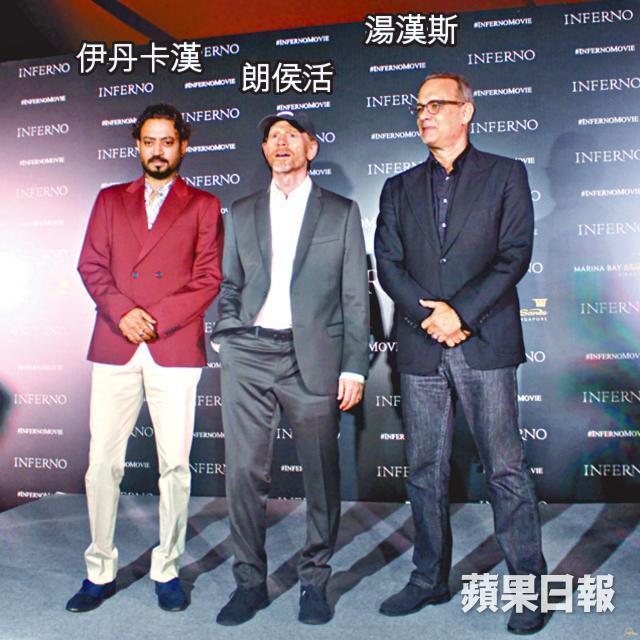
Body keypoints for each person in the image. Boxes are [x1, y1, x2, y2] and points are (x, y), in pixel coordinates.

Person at [374, 73, 546, 635]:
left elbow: (514, 255)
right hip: (421, 346)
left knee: (505, 469)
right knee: (424, 470)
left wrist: (459, 314)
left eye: (437, 104)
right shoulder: (398, 187)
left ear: (466, 111)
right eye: (419, 107)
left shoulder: (506, 174)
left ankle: (527, 587)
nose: (424, 114)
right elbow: (388, 264)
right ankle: (429, 578)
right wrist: (431, 317)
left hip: (485, 342)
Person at [212, 111, 369, 626]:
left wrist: (354, 367)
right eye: (272, 137)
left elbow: (355, 294)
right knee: (243, 474)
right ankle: (248, 583)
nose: (280, 143)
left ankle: (314, 581)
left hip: (314, 357)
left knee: (321, 475)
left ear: (311, 147)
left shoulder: (340, 212)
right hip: (249, 354)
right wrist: (229, 334)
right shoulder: (241, 212)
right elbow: (229, 283)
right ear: (264, 151)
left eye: (290, 135)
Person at [67, 103, 224, 613]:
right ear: (137, 145)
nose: (158, 151)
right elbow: (91, 265)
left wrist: (152, 319)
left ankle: (167, 567)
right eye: (149, 141)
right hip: (116, 342)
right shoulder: (109, 199)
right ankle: (99, 569)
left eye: (167, 141)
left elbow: (209, 277)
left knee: (174, 465)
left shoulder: (204, 205)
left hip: (172, 345)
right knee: (101, 464)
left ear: (183, 145)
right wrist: (124, 314)